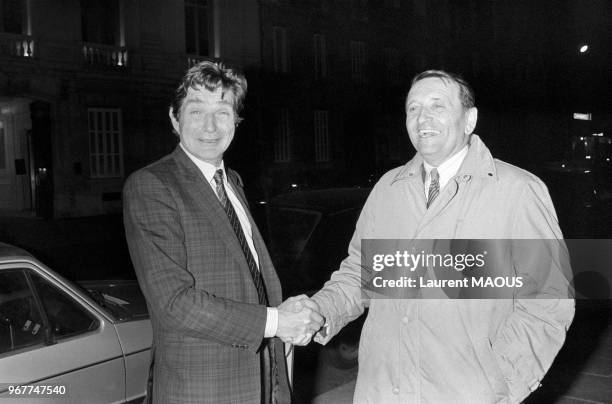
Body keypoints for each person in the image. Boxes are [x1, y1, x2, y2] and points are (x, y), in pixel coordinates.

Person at [309, 70, 574, 403]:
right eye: (413, 108)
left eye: (438, 105)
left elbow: (548, 301)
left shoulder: (518, 191)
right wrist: (317, 311)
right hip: (382, 392)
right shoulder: (387, 190)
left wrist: (502, 383)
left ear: (469, 119)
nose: (423, 118)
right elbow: (360, 274)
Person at [123, 59, 323, 404]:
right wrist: (275, 322)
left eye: (223, 111)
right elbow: (174, 303)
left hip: (259, 382)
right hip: (202, 390)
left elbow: (248, 279)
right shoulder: (152, 185)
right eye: (196, 111)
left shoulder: (232, 183)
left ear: (236, 121)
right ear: (175, 118)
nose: (210, 126)